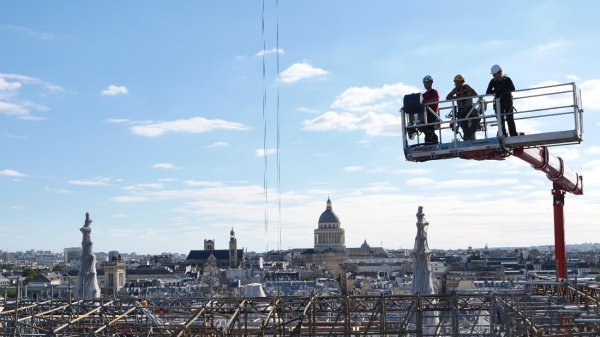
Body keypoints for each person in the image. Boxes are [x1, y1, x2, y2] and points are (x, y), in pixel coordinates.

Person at [486, 64, 518, 137]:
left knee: (509, 118)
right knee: (500, 119)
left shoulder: (507, 79)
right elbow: (488, 92)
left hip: (507, 101)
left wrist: (501, 91)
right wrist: (496, 92)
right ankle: (502, 134)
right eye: (493, 75)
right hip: (498, 102)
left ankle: (513, 134)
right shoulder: (493, 81)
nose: (494, 76)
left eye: (495, 74)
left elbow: (512, 88)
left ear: (500, 72)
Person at [446, 74, 479, 140]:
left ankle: (470, 133)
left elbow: (475, 94)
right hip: (461, 111)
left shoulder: (466, 87)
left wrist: (466, 96)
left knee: (477, 118)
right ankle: (467, 136)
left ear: (461, 82)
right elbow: (448, 97)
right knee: (464, 125)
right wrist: (456, 97)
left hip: (470, 109)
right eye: (455, 83)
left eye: (457, 82)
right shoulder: (456, 89)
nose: (456, 84)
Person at [421, 75, 440, 144]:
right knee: (424, 128)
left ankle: (433, 141)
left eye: (426, 83)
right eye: (424, 83)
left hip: (433, 114)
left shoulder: (434, 92)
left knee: (430, 129)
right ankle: (429, 142)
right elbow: (420, 103)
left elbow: (435, 100)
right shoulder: (423, 95)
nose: (425, 85)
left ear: (430, 83)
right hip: (425, 115)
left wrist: (425, 102)